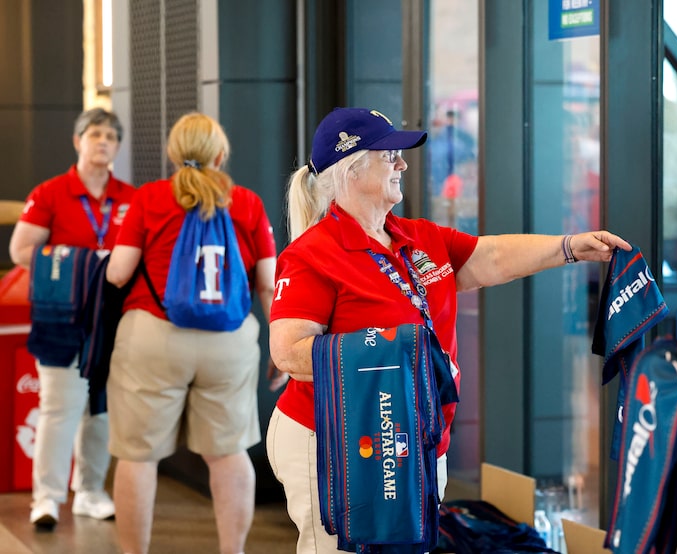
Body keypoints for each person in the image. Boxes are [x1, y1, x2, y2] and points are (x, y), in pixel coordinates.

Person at [265, 106, 631, 552]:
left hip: (416, 438)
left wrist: (570, 247)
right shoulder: (311, 255)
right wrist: (388, 351)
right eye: (389, 155)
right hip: (336, 441)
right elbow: (289, 353)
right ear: (351, 169)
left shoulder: (417, 237)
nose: (402, 164)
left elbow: (491, 257)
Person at [105, 112, 277, 554]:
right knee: (228, 453)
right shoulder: (248, 203)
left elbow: (119, 273)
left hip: (155, 336)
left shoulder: (149, 198)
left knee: (138, 456)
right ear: (220, 154)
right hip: (230, 341)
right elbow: (268, 284)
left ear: (173, 154)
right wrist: (281, 346)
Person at [8, 107, 132, 529]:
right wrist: (84, 263)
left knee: (100, 411)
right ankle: (46, 498)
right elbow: (21, 251)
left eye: (111, 137)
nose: (103, 142)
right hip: (61, 320)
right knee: (59, 409)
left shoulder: (129, 197)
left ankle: (91, 491)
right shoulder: (50, 193)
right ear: (78, 141)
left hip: (111, 321)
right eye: (95, 134)